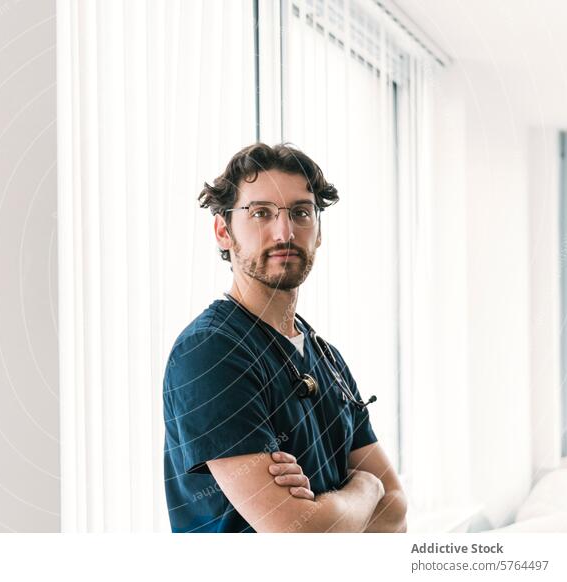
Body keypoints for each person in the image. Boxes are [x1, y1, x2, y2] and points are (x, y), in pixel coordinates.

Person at [162, 143, 407, 533]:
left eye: (301, 213)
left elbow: (395, 513)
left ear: (319, 233)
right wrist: (365, 485)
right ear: (224, 231)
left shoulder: (327, 358)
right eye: (261, 213)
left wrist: (339, 508)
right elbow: (302, 535)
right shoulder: (211, 352)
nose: (285, 231)